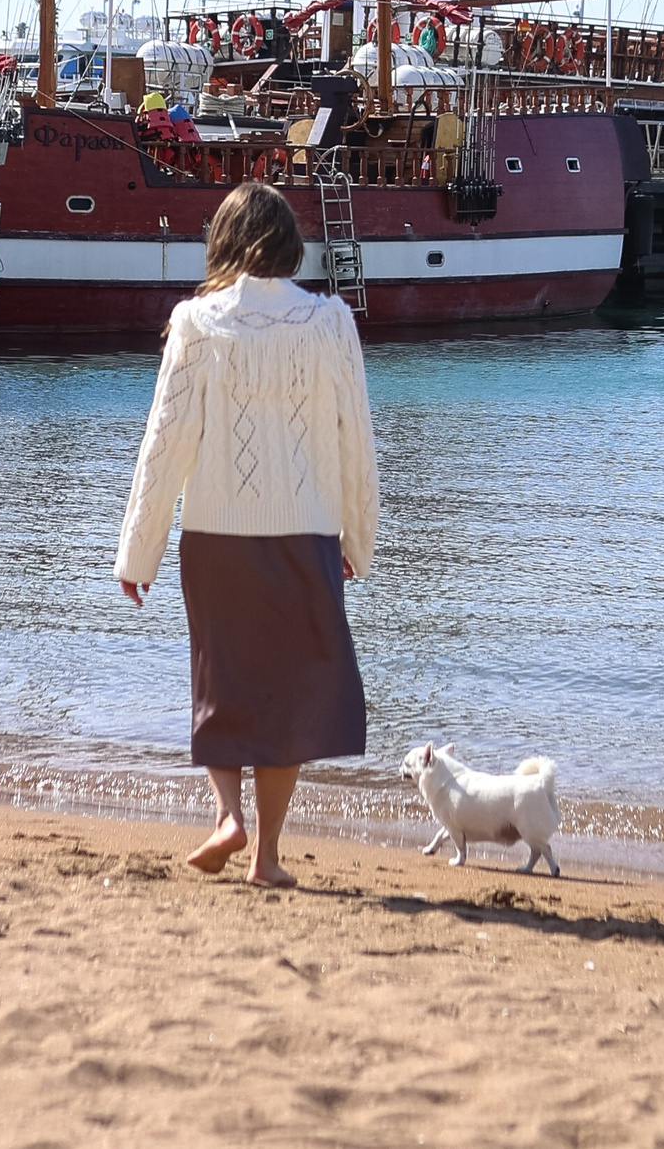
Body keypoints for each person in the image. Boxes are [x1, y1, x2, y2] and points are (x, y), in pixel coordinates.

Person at [115, 182, 378, 888]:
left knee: (221, 683)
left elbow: (162, 446)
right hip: (307, 531)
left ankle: (226, 815)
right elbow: (357, 441)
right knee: (289, 695)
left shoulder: (196, 323)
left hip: (216, 535)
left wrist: (136, 551)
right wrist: (359, 538)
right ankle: (265, 857)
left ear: (222, 243)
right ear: (291, 244)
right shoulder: (330, 322)